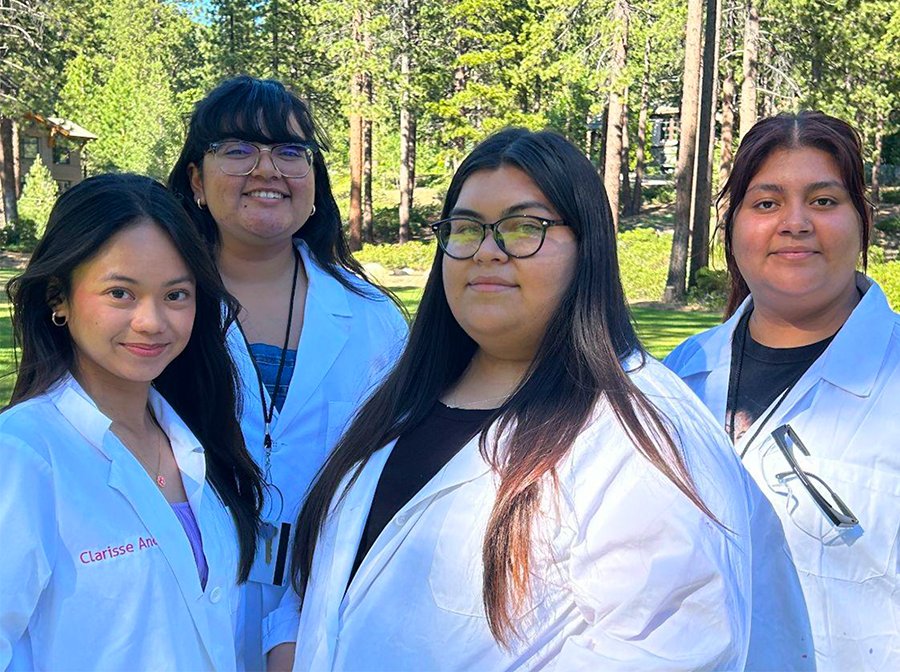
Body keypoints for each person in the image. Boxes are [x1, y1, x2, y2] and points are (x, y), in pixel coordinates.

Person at [268, 128, 759, 671]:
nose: (485, 251)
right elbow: (325, 580)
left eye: (523, 228)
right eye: (466, 228)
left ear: (588, 247)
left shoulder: (640, 432)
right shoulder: (397, 401)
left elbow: (673, 650)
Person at [168, 76, 408, 670]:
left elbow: (396, 472)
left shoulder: (372, 317)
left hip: (325, 601)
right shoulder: (161, 309)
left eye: (290, 151)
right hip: (181, 599)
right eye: (239, 149)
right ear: (196, 180)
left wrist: (300, 619)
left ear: (314, 180)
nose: (268, 168)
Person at [665, 111, 900, 671]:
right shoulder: (677, 378)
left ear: (862, 222)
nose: (795, 222)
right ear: (734, 226)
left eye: (823, 201)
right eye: (766, 203)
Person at [0, 174, 263, 671]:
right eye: (120, 293)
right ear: (59, 297)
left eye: (176, 295)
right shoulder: (23, 456)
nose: (152, 321)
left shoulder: (198, 440)